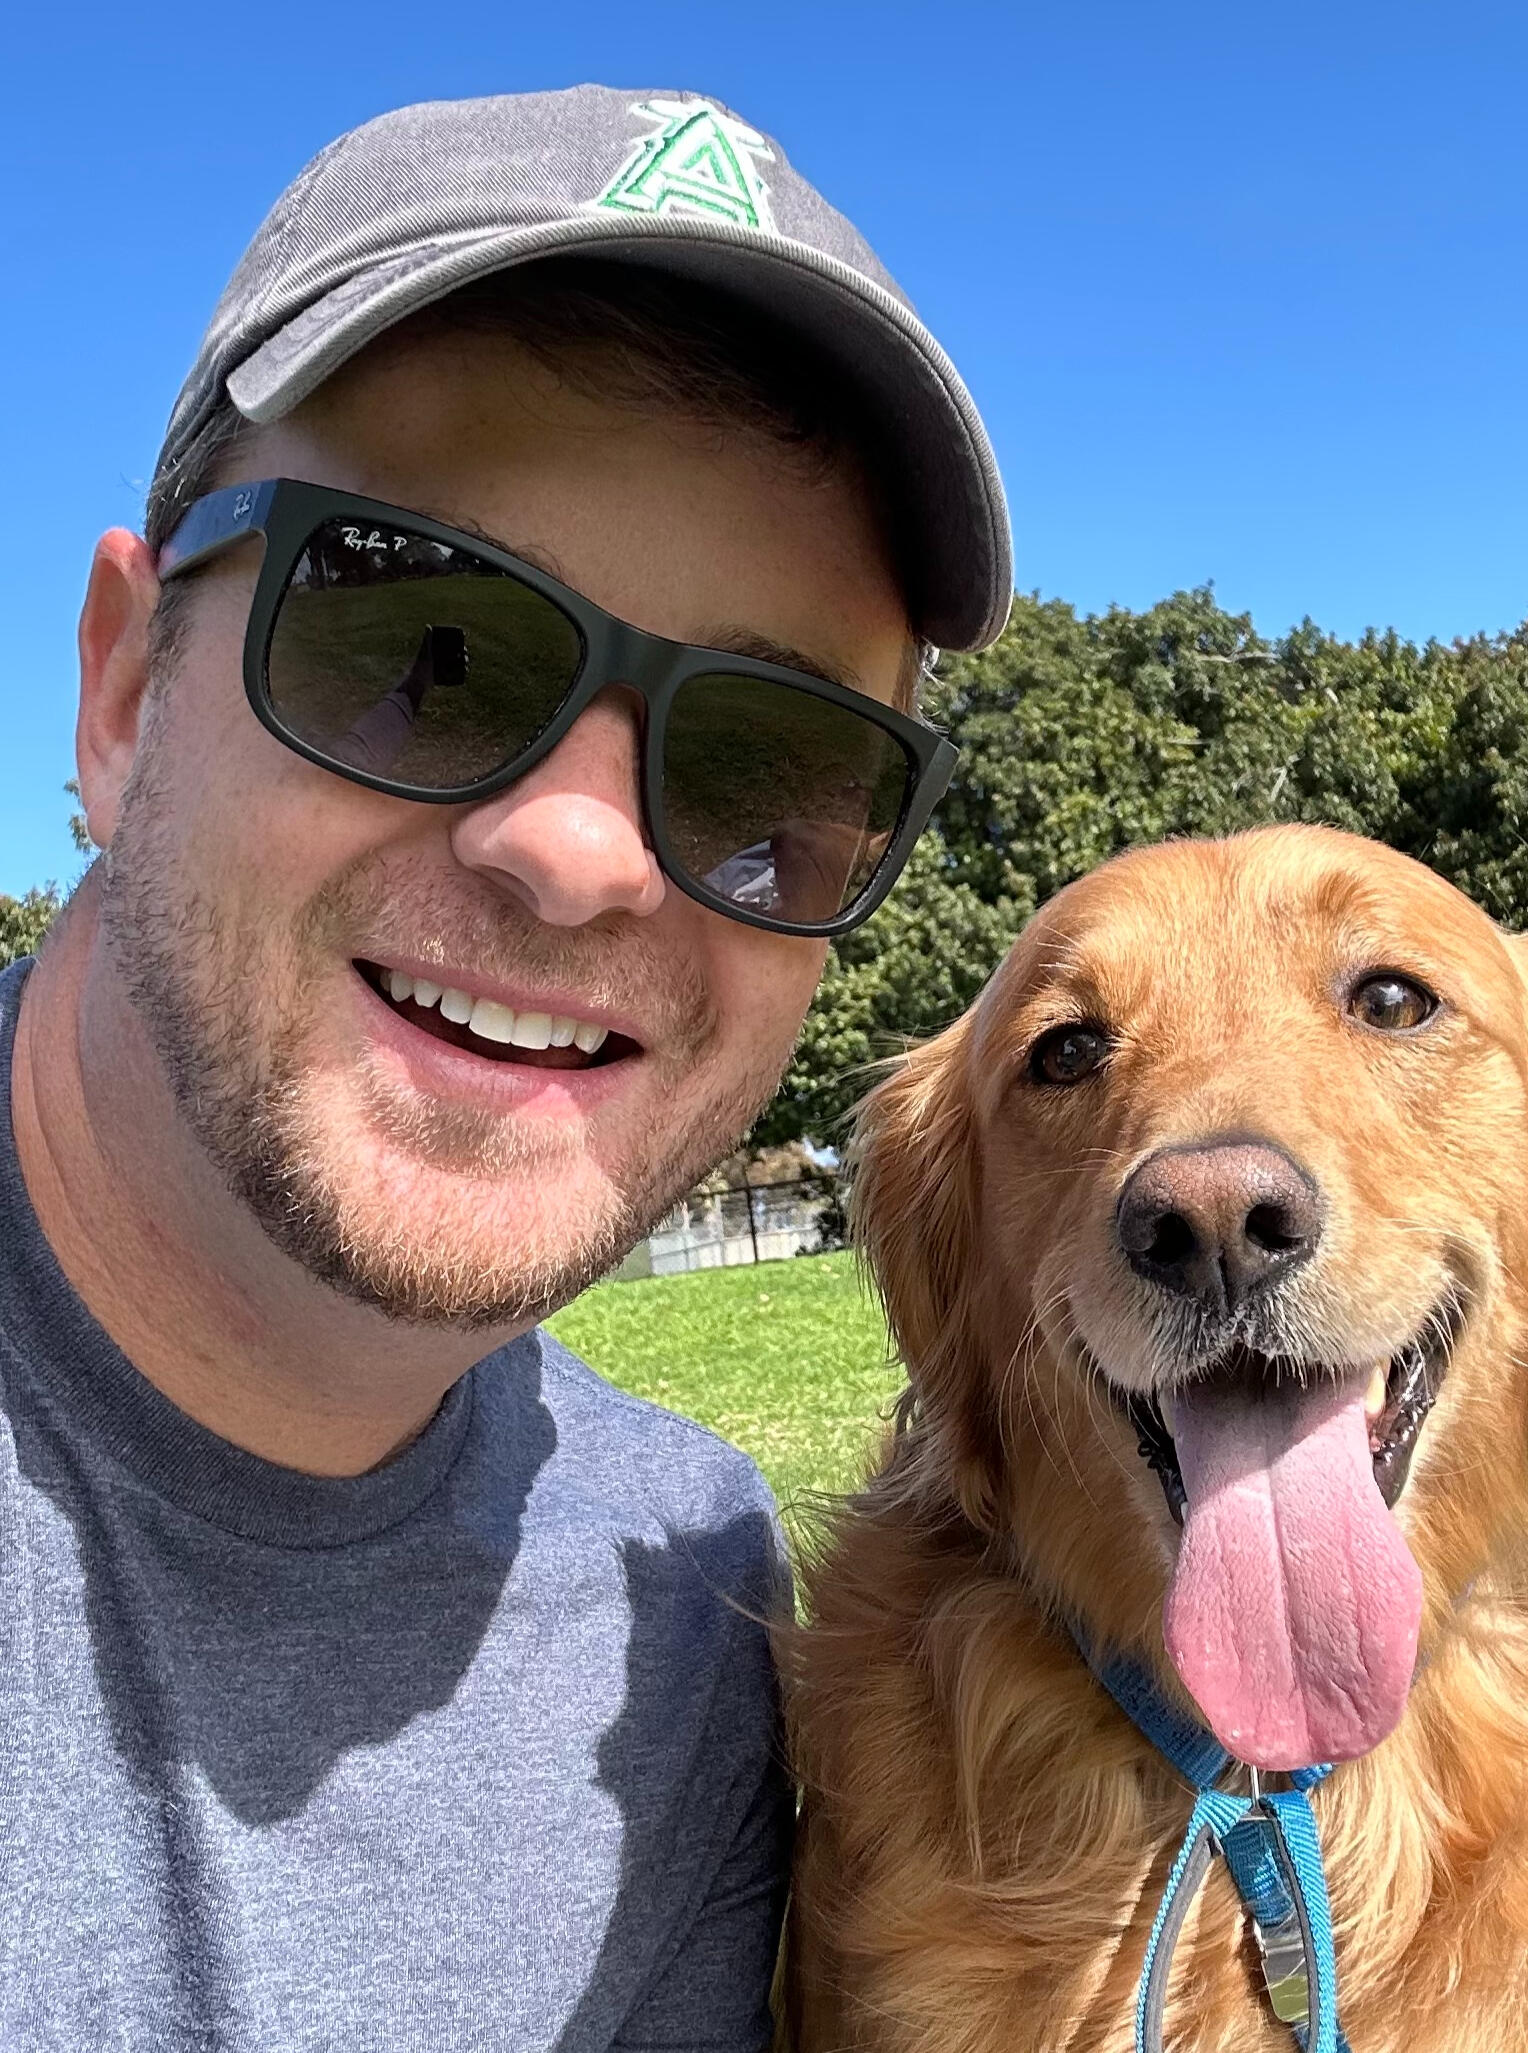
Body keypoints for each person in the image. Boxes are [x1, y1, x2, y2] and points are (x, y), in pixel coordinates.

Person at [0, 84, 1009, 2050]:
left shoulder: (683, 1608)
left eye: (767, 768)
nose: (578, 849)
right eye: (420, 643)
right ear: (121, 693)